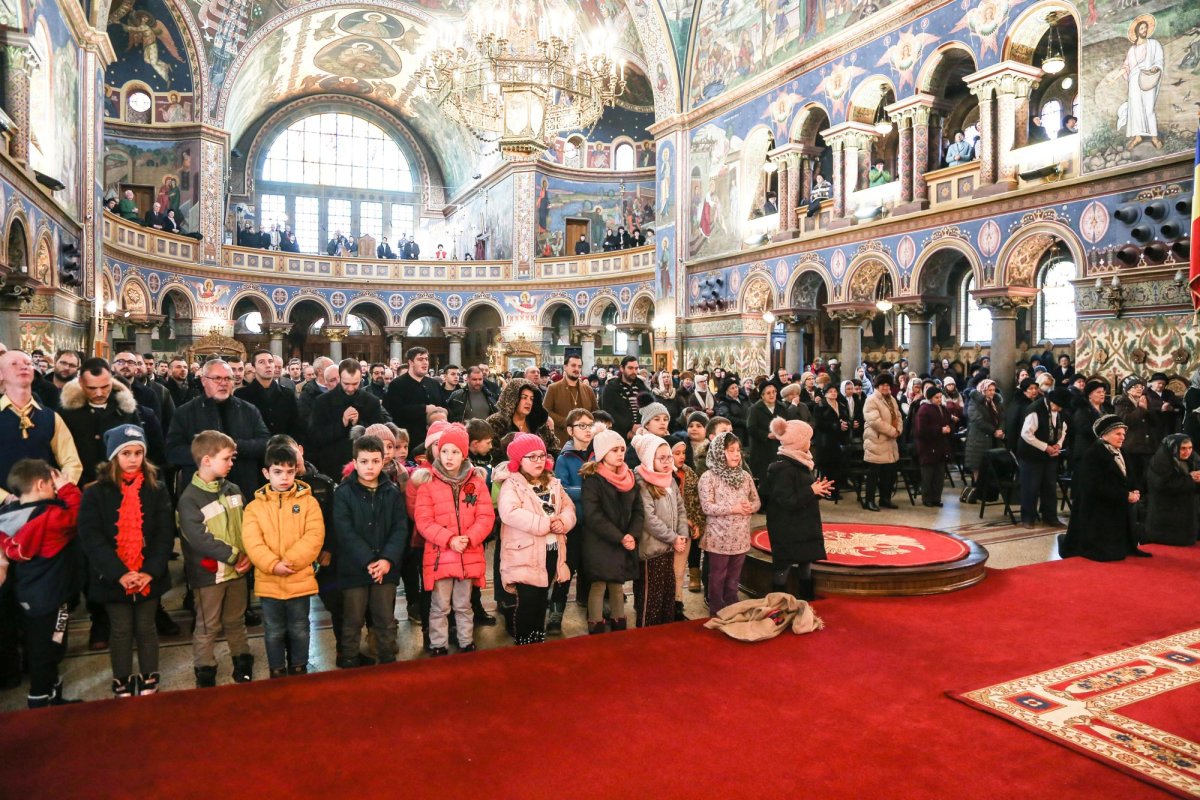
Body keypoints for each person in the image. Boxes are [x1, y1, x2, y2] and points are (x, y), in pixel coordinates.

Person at [77, 426, 173, 698]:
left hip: (147, 574)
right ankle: (121, 678)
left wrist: (150, 572)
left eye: (138, 453)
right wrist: (119, 573)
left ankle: (149, 676)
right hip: (113, 576)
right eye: (126, 453)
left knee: (146, 627)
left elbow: (164, 535)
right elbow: (92, 538)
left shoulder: (157, 489)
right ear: (113, 456)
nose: (133, 459)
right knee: (120, 629)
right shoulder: (96, 493)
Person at [0, 460, 82, 707]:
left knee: (39, 645)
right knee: (50, 647)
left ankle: (51, 694)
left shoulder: (8, 516)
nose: (56, 489)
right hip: (54, 597)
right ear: (40, 484)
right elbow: (79, 513)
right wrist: (67, 487)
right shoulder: (51, 517)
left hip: (28, 595)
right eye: (52, 484)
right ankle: (41, 701)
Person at [177, 430, 254, 687]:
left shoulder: (233, 489)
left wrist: (249, 555)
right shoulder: (189, 499)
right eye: (227, 458)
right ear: (207, 460)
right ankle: (205, 668)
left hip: (238, 570)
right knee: (208, 624)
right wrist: (235, 555)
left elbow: (247, 525)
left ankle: (242, 659)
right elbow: (199, 538)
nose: (232, 463)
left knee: (235, 619)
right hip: (210, 574)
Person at [240, 443, 324, 678]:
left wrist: (290, 562)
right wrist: (272, 564)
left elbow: (314, 537)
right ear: (266, 473)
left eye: (289, 472)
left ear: (296, 471)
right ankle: (276, 669)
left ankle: (299, 666)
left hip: (299, 579)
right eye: (278, 472)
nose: (284, 477)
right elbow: (252, 541)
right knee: (274, 630)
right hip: (269, 581)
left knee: (300, 627)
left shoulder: (309, 503)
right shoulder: (254, 508)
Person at [409, 423, 493, 656]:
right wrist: (449, 540)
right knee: (440, 605)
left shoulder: (475, 482)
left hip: (468, 552)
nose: (448, 457)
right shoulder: (428, 482)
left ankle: (466, 641)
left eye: (455, 452)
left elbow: (486, 516)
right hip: (440, 555)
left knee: (464, 604)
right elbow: (424, 520)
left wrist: (470, 537)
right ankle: (439, 644)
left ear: (464, 454)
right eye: (444, 451)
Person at [333, 435, 406, 668]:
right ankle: (350, 658)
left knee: (384, 617)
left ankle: (387, 657)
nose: (370, 467)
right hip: (355, 567)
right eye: (364, 462)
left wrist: (386, 559)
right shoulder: (343, 493)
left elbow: (400, 528)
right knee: (353, 618)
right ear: (354, 462)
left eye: (375, 461)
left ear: (383, 461)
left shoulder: (392, 492)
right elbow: (344, 532)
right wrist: (369, 560)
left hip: (385, 567)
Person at [497, 432, 575, 645]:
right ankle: (524, 642)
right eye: (532, 457)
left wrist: (564, 521)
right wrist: (545, 524)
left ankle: (537, 640)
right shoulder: (512, 484)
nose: (538, 461)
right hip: (525, 552)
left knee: (542, 599)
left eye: (541, 455)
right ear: (518, 460)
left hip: (551, 550)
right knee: (528, 601)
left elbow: (568, 506)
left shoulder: (552, 482)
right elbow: (509, 512)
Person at [166, 358, 270, 498]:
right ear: (204, 381)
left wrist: (234, 447)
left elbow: (265, 443)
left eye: (228, 378)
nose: (223, 383)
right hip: (201, 494)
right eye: (217, 378)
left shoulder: (249, 410)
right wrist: (210, 454)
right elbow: (172, 451)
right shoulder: (185, 412)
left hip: (242, 488)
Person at [1059, 415, 1152, 561]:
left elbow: (1130, 476)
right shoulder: (1093, 455)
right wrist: (1124, 495)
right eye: (1118, 434)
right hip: (1098, 507)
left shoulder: (1123, 452)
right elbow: (1096, 485)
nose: (1122, 437)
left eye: (1123, 434)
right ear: (1104, 435)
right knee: (1108, 555)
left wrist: (1135, 490)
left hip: (1117, 502)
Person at [579, 430, 642, 634]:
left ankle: (618, 620)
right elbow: (593, 515)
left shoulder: (629, 477)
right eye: (614, 449)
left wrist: (632, 533)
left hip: (624, 539)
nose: (620, 453)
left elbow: (638, 510)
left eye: (622, 449)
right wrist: (619, 536)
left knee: (617, 583)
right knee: (598, 584)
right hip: (600, 542)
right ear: (602, 453)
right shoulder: (593, 480)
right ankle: (596, 623)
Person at [763, 419, 833, 601]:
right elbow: (787, 501)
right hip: (788, 527)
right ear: (799, 442)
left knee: (805, 562)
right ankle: (778, 601)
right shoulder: (782, 468)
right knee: (783, 567)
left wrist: (818, 491)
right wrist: (811, 490)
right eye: (808, 439)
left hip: (802, 524)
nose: (810, 442)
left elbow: (802, 495)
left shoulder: (801, 463)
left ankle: (807, 597)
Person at [698, 432, 759, 616]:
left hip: (740, 536)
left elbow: (756, 501)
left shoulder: (745, 476)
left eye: (738, 450)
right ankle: (716, 610)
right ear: (718, 452)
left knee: (734, 577)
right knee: (717, 577)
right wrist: (733, 508)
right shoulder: (708, 477)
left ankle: (733, 607)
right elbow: (707, 507)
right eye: (730, 450)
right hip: (719, 537)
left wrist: (751, 507)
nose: (736, 454)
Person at [632, 433, 688, 627]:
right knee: (651, 599)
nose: (666, 462)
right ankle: (647, 637)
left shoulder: (670, 480)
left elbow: (680, 508)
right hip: (651, 551)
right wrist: (673, 537)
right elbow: (649, 519)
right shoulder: (642, 482)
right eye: (661, 458)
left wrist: (681, 534)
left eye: (669, 457)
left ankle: (665, 634)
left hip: (669, 548)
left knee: (667, 595)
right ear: (649, 459)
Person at [307, 359, 388, 479]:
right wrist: (342, 423)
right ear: (339, 378)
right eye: (346, 383)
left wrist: (359, 424)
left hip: (365, 467)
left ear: (362, 378)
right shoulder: (322, 402)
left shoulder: (372, 401)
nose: (350, 388)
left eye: (355, 384)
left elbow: (378, 436)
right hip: (331, 467)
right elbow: (315, 437)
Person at [552, 407, 594, 629]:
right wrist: (589, 490)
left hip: (594, 521)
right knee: (567, 565)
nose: (588, 430)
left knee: (590, 564)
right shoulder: (565, 457)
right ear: (570, 430)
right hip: (573, 521)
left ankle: (587, 601)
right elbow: (562, 489)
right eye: (582, 426)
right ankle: (556, 610)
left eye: (590, 425)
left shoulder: (598, 452)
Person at [1017, 388, 1070, 529]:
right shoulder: (1035, 409)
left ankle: (1050, 517)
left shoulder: (1060, 411)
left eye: (1061, 407)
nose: (1058, 409)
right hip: (1031, 455)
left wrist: (1058, 445)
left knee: (1050, 487)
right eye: (1057, 405)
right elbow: (1026, 434)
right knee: (1031, 487)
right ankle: (1028, 518)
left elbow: (1063, 430)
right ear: (1051, 400)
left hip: (1050, 455)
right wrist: (1046, 447)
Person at [1142, 434, 1200, 547]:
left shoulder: (1193, 459)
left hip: (1187, 513)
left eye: (1190, 448)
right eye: (1183, 448)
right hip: (1164, 513)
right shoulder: (1160, 461)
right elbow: (1163, 484)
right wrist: (1190, 479)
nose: (1187, 452)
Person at [669, 434, 704, 613]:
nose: (682, 456)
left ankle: (678, 603)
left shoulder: (689, 472)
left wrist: (697, 522)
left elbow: (696, 501)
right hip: (668, 530)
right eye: (677, 453)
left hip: (686, 530)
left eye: (684, 452)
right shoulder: (664, 473)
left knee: (679, 571)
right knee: (667, 572)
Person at [384, 347, 441, 451]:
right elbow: (395, 411)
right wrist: (424, 409)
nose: (425, 362)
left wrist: (443, 412)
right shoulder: (397, 384)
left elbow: (443, 406)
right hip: (408, 442)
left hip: (433, 441)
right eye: (420, 359)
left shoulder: (434, 384)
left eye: (426, 359)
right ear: (411, 362)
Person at [235, 350, 299, 439]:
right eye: (262, 362)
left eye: (270, 361)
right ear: (253, 368)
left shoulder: (287, 394)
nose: (268, 365)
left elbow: (296, 425)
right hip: (254, 448)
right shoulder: (241, 395)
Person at [485, 378, 558, 456]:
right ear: (512, 398)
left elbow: (553, 448)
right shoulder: (495, 422)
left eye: (532, 399)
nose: (529, 402)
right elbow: (492, 453)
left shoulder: (538, 422)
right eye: (524, 397)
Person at [862, 373, 902, 511]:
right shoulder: (871, 400)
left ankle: (885, 499)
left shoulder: (892, 399)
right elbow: (874, 421)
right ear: (877, 386)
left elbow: (898, 416)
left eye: (887, 385)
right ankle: (869, 501)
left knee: (889, 474)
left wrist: (898, 430)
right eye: (882, 385)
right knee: (874, 474)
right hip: (876, 441)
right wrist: (892, 431)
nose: (885, 387)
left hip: (890, 442)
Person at [1113, 376, 1155, 492]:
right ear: (1128, 390)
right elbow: (1125, 421)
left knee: (1147, 477)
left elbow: (1155, 422)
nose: (1139, 388)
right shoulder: (1122, 403)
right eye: (1135, 386)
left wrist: (1148, 410)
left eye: (1141, 386)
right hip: (1131, 446)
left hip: (1147, 446)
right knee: (1135, 478)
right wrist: (1141, 409)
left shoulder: (1145, 400)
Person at [914, 386, 954, 507]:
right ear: (930, 398)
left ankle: (937, 497)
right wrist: (939, 429)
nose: (939, 399)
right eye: (936, 397)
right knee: (928, 474)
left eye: (940, 397)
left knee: (939, 474)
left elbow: (949, 420)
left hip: (940, 446)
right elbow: (921, 430)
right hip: (927, 446)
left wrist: (949, 428)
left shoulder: (942, 408)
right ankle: (927, 498)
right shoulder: (924, 409)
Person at [964, 378, 1004, 485]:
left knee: (991, 466)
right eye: (989, 390)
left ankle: (988, 491)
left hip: (993, 438)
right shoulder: (974, 401)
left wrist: (1000, 429)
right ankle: (977, 488)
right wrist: (994, 431)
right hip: (978, 438)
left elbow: (1002, 417)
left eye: (993, 390)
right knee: (977, 465)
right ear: (983, 390)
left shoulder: (996, 402)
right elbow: (977, 419)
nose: (992, 392)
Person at [543, 354, 596, 432]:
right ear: (565, 367)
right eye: (573, 365)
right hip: (562, 436)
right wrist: (566, 422)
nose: (577, 369)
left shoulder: (588, 390)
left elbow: (595, 412)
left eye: (579, 366)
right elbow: (546, 411)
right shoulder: (553, 388)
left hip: (584, 436)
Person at [746, 383, 786, 483]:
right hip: (761, 448)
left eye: (774, 392)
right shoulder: (755, 409)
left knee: (778, 477)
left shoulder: (782, 407)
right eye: (768, 393)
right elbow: (751, 428)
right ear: (762, 396)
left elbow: (787, 422)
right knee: (764, 478)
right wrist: (766, 435)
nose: (772, 395)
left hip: (778, 446)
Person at [714, 377, 749, 444]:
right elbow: (727, 417)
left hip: (748, 432)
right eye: (732, 388)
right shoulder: (724, 402)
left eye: (736, 387)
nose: (735, 390)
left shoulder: (744, 399)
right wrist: (744, 422)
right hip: (735, 433)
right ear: (727, 391)